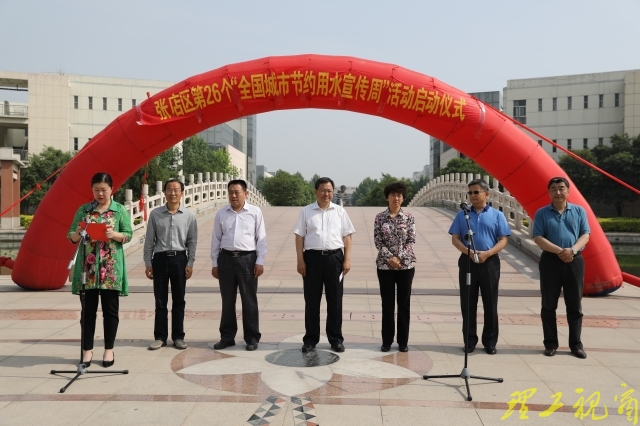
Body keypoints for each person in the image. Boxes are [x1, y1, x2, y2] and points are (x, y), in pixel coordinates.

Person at [68, 172, 132, 368]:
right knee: (87, 312)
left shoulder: (119, 210)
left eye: (104, 190)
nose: (100, 194)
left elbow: (128, 234)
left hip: (110, 269)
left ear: (111, 189)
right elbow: (71, 236)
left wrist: (114, 234)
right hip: (88, 270)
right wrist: (78, 232)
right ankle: (87, 350)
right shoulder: (84, 210)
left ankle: (109, 350)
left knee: (110, 311)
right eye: (96, 190)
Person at [449, 178, 510, 355]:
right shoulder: (462, 215)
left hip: (489, 262)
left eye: (476, 192)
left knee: (490, 303)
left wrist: (488, 253)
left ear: (487, 194)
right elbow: (455, 238)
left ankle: (490, 342)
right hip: (468, 261)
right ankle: (469, 340)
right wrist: (469, 252)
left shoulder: (497, 215)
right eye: (470, 192)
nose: (473, 195)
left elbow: (503, 239)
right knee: (468, 302)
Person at [294, 177, 355, 353]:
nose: (326, 194)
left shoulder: (340, 211)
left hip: (334, 259)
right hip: (312, 259)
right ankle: (310, 339)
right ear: (315, 192)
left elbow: (347, 236)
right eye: (322, 190)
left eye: (329, 191)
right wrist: (300, 260)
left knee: (335, 301)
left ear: (333, 192)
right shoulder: (306, 211)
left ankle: (335, 339)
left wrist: (347, 259)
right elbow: (299, 236)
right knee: (311, 301)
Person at [533, 177, 590, 359]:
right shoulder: (542, 213)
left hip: (575, 260)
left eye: (561, 188)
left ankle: (576, 344)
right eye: (554, 189)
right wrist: (560, 251)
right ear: (549, 192)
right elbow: (538, 237)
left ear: (568, 191)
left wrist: (572, 250)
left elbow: (585, 234)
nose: (558, 192)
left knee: (575, 305)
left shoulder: (579, 211)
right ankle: (550, 344)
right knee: (548, 305)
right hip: (550, 262)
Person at [211, 179, 267, 351]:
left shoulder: (255, 212)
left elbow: (261, 238)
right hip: (226, 259)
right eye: (230, 192)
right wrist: (215, 263)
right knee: (227, 300)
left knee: (249, 300)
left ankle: (252, 337)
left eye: (237, 192)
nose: (233, 195)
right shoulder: (221, 213)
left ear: (246, 194)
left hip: (247, 260)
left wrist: (260, 261)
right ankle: (227, 337)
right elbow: (216, 239)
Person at [144, 178, 198, 351]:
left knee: (179, 300)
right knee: (160, 300)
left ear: (182, 193)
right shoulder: (155, 214)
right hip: (160, 259)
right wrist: (148, 262)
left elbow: (192, 241)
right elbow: (149, 241)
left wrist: (190, 262)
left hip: (180, 259)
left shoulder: (189, 216)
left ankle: (178, 337)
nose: (172, 193)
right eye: (169, 189)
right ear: (164, 192)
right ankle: (160, 337)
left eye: (176, 190)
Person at [374, 181, 416, 353]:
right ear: (387, 197)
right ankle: (386, 341)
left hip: (406, 266)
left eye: (399, 195)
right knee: (387, 304)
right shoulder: (380, 218)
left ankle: (403, 341)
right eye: (393, 195)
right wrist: (390, 258)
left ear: (403, 198)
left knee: (404, 304)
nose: (396, 198)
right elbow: (378, 241)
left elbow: (411, 240)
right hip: (385, 267)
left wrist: (400, 258)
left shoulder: (409, 218)